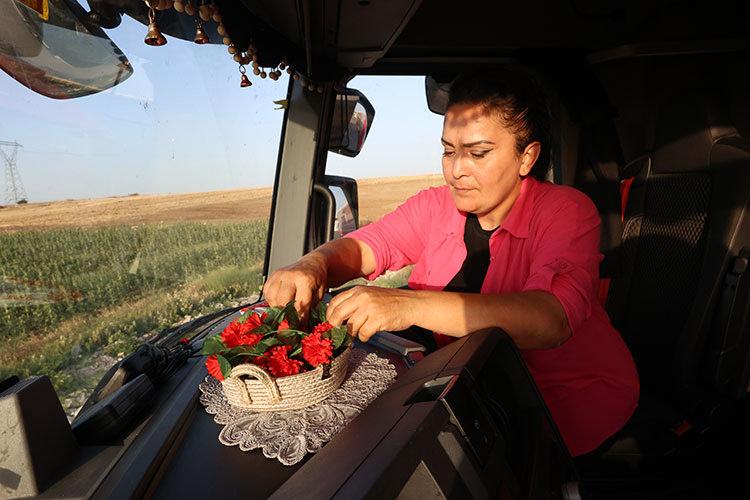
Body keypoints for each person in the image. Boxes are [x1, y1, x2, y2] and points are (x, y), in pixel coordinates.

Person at [262, 69, 639, 457]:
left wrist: (406, 305)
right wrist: (314, 264)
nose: (455, 170)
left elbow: (549, 320)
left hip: (561, 404)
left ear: (527, 157)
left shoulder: (566, 211)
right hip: (476, 387)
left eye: (477, 153)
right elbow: (366, 246)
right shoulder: (434, 207)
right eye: (448, 151)